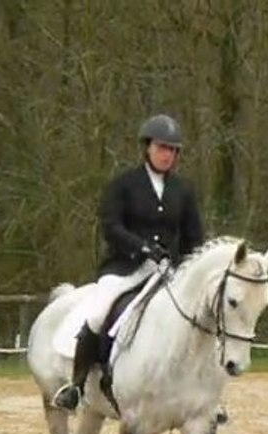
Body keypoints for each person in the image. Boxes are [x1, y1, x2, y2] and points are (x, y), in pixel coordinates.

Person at [52, 113, 205, 412]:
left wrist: (185, 266)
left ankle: (203, 395)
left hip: (168, 272)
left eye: (173, 150)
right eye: (162, 147)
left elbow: (193, 238)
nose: (167, 154)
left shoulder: (183, 191)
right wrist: (143, 248)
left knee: (196, 319)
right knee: (97, 313)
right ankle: (76, 386)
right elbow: (112, 227)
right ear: (147, 147)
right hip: (125, 268)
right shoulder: (124, 185)